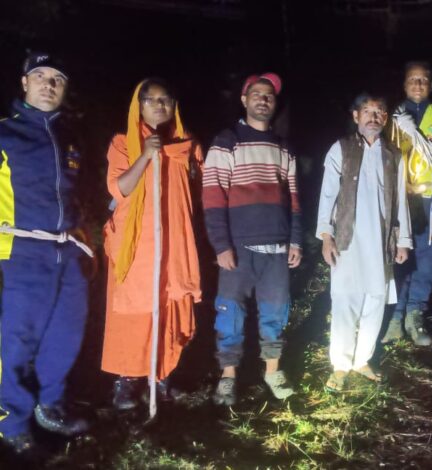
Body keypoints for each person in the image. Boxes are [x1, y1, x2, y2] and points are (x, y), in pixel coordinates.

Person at [0, 52, 89, 452]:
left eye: (58, 78)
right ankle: (10, 419)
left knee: (65, 334)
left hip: (66, 251)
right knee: (16, 339)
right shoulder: (5, 133)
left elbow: (78, 194)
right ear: (24, 83)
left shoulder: (71, 138)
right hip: (19, 250)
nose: (49, 84)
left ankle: (51, 405)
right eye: (40, 76)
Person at [102, 78, 202, 409]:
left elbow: (198, 190)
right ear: (139, 106)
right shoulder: (122, 143)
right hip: (137, 243)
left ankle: (162, 374)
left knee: (170, 302)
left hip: (174, 240)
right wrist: (146, 154)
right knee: (134, 308)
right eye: (151, 100)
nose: (159, 105)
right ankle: (128, 380)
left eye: (166, 99)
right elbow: (120, 189)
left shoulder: (187, 145)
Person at [203, 73, 301, 405]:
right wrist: (221, 245)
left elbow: (294, 199)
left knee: (275, 311)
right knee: (230, 312)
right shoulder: (227, 141)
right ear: (244, 100)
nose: (263, 99)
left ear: (275, 103)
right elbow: (213, 197)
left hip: (277, 248)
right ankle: (228, 376)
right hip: (239, 248)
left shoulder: (283, 147)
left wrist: (296, 241)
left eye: (269, 95)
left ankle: (272, 370)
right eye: (256, 94)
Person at [316, 93, 411, 391]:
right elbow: (328, 194)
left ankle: (362, 359)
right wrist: (326, 235)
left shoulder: (393, 155)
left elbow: (401, 200)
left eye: (379, 112)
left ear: (385, 118)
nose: (373, 117)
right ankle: (341, 364)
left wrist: (403, 240)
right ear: (356, 116)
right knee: (345, 299)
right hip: (348, 239)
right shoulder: (341, 148)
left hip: (381, 240)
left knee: (375, 300)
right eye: (367, 111)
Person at [381, 61, 432, 346]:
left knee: (427, 259)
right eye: (412, 79)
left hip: (431, 198)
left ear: (431, 85)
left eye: (423, 80)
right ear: (404, 84)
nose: (418, 84)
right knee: (399, 257)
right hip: (400, 199)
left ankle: (415, 315)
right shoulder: (392, 117)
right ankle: (394, 317)